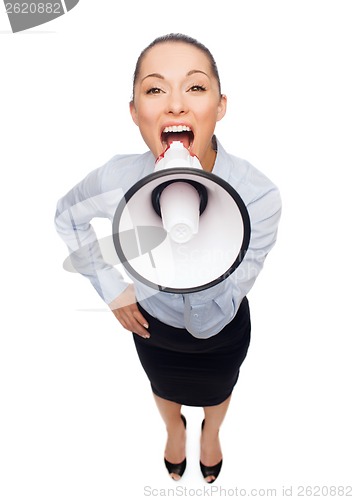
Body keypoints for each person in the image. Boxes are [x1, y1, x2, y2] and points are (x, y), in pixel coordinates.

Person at [55, 33, 281, 483]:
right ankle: (173, 430)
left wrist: (201, 252)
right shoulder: (117, 178)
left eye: (195, 88)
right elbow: (67, 217)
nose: (176, 105)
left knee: (219, 388)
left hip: (221, 329)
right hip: (153, 325)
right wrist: (113, 289)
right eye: (155, 89)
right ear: (135, 111)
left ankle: (211, 433)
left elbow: (241, 280)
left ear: (220, 106)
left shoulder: (259, 195)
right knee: (162, 386)